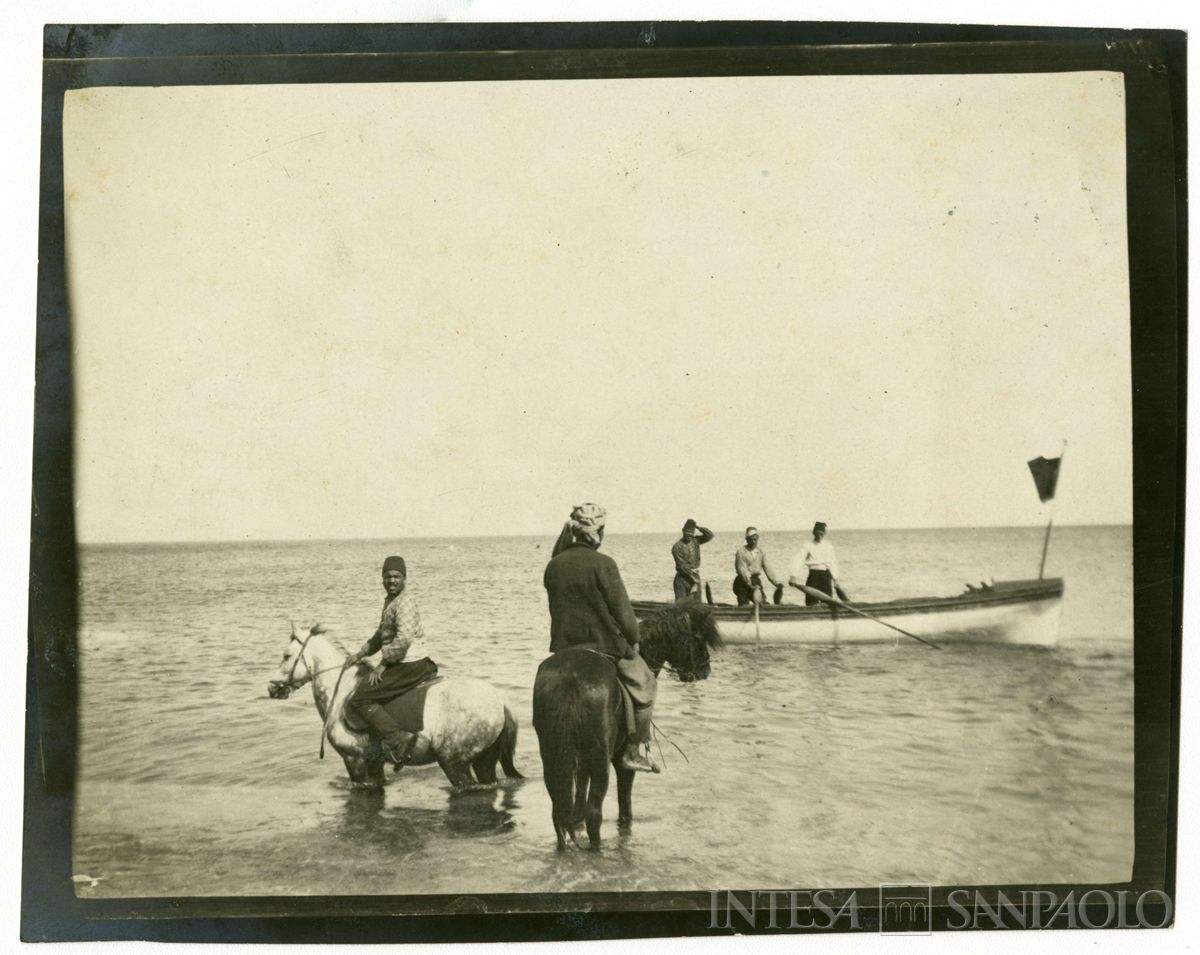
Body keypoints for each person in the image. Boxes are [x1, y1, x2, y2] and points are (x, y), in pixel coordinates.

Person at [544, 503, 658, 773]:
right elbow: (623, 610)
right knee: (646, 686)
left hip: (562, 648)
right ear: (599, 532)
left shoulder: (553, 565)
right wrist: (634, 637)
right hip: (602, 645)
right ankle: (632, 750)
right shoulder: (604, 563)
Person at [344, 556, 438, 769]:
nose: (392, 581)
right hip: (402, 661)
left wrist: (382, 665)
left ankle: (398, 742)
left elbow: (404, 639)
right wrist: (359, 654)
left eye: (396, 576)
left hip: (411, 662)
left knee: (359, 698)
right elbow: (381, 635)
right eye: (387, 577)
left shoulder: (404, 602)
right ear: (382, 579)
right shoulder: (390, 601)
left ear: (404, 578)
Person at [788, 522, 850, 605]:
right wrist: (793, 575)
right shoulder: (807, 545)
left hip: (826, 576)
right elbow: (799, 560)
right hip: (814, 576)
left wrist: (836, 579)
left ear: (824, 534)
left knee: (828, 603)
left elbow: (832, 563)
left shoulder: (828, 546)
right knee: (811, 602)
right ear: (813, 533)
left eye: (822, 533)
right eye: (818, 533)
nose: (820, 536)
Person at [732, 526, 784, 606]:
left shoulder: (761, 552)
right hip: (742, 582)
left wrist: (776, 583)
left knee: (763, 604)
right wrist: (750, 585)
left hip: (755, 580)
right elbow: (742, 570)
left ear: (758, 539)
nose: (753, 541)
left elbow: (768, 568)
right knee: (744, 605)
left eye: (755, 539)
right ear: (747, 539)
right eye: (751, 539)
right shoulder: (741, 552)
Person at [671, 518, 714, 601]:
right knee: (681, 606)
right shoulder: (677, 547)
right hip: (682, 580)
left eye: (692, 532)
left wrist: (698, 527)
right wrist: (694, 579)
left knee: (696, 605)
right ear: (683, 531)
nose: (689, 534)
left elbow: (710, 536)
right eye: (687, 531)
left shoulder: (695, 541)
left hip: (695, 578)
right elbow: (682, 566)